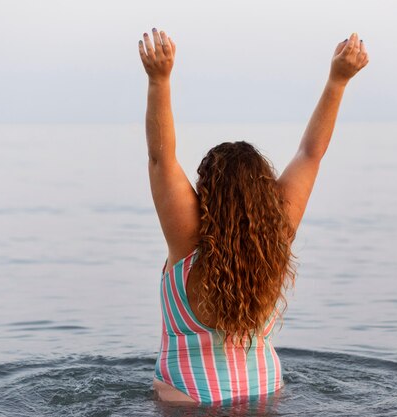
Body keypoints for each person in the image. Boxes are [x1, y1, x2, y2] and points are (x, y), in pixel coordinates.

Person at [138, 27, 368, 405]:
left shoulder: (186, 244)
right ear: (266, 193)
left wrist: (158, 79)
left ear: (204, 193)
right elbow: (311, 153)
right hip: (264, 392)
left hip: (189, 397)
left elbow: (161, 158)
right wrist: (338, 80)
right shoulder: (275, 238)